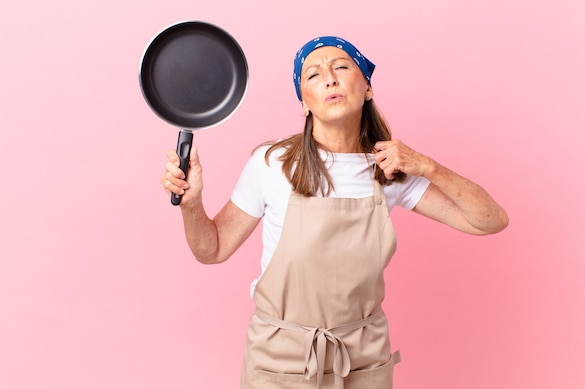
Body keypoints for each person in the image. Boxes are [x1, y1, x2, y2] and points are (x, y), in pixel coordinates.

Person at [161, 36, 508, 389]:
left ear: (368, 88)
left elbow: (491, 220)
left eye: (341, 67)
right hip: (281, 358)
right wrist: (192, 206)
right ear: (304, 104)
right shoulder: (271, 165)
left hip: (362, 359)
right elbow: (212, 249)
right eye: (312, 74)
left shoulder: (388, 169)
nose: (329, 78)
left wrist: (427, 166)